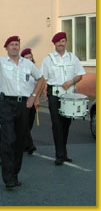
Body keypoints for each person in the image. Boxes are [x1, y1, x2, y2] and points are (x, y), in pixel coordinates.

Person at [0, 29, 45, 189]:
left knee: (19, 141)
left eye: (17, 44)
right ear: (6, 48)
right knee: (8, 139)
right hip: (6, 104)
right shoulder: (0, 62)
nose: (14, 47)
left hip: (23, 104)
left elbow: (41, 78)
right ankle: (8, 177)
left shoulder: (28, 64)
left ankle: (14, 173)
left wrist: (34, 96)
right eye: (12, 45)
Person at [41, 32, 85, 166]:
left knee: (66, 125)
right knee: (57, 124)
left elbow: (80, 74)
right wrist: (42, 91)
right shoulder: (48, 59)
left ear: (66, 43)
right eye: (59, 41)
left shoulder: (73, 58)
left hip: (69, 95)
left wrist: (71, 82)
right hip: (54, 94)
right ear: (54, 43)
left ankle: (63, 152)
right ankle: (59, 154)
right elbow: (43, 77)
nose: (61, 43)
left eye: (63, 41)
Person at [20, 48, 39, 155]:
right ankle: (30, 144)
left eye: (30, 57)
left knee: (29, 123)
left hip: (33, 98)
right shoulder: (20, 69)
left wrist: (36, 98)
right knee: (24, 123)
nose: (29, 59)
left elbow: (39, 83)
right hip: (23, 99)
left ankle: (24, 143)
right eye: (26, 57)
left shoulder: (35, 69)